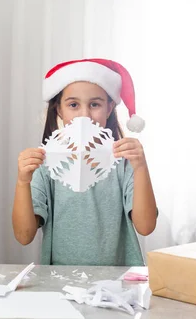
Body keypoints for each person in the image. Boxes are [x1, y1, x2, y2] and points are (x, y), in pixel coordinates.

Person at [12, 58, 157, 266]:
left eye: (95, 104)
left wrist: (141, 167)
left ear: (109, 109)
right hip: (59, 285)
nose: (84, 115)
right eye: (73, 105)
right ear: (59, 110)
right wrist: (22, 182)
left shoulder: (124, 162)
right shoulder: (45, 164)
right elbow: (24, 236)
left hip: (119, 287)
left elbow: (146, 226)